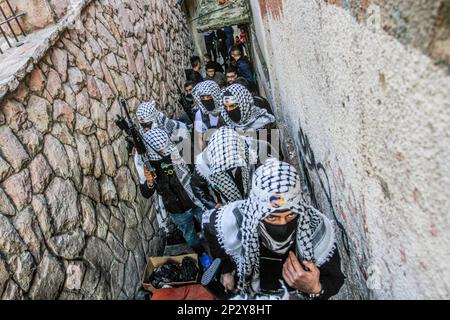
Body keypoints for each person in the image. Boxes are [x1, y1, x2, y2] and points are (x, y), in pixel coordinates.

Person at [202, 159, 346, 299]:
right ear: (257, 211)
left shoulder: (315, 228)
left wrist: (314, 288)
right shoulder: (235, 219)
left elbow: (335, 280)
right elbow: (210, 227)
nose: (282, 225)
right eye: (272, 218)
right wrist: (226, 270)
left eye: (290, 215)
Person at [137, 128, 206, 255]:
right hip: (176, 209)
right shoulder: (148, 165)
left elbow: (199, 170)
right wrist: (150, 181)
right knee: (190, 236)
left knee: (208, 226)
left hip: (195, 200)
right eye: (162, 150)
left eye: (166, 146)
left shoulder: (180, 149)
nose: (166, 150)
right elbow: (146, 193)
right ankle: (202, 255)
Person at [192, 127, 268, 210]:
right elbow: (197, 187)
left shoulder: (256, 149)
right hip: (230, 207)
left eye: (233, 162)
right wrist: (213, 205)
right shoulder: (203, 163)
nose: (229, 166)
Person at [191, 80, 225, 149]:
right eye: (202, 98)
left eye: (208, 97)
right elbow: (200, 138)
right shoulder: (199, 114)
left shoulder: (226, 108)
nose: (206, 100)